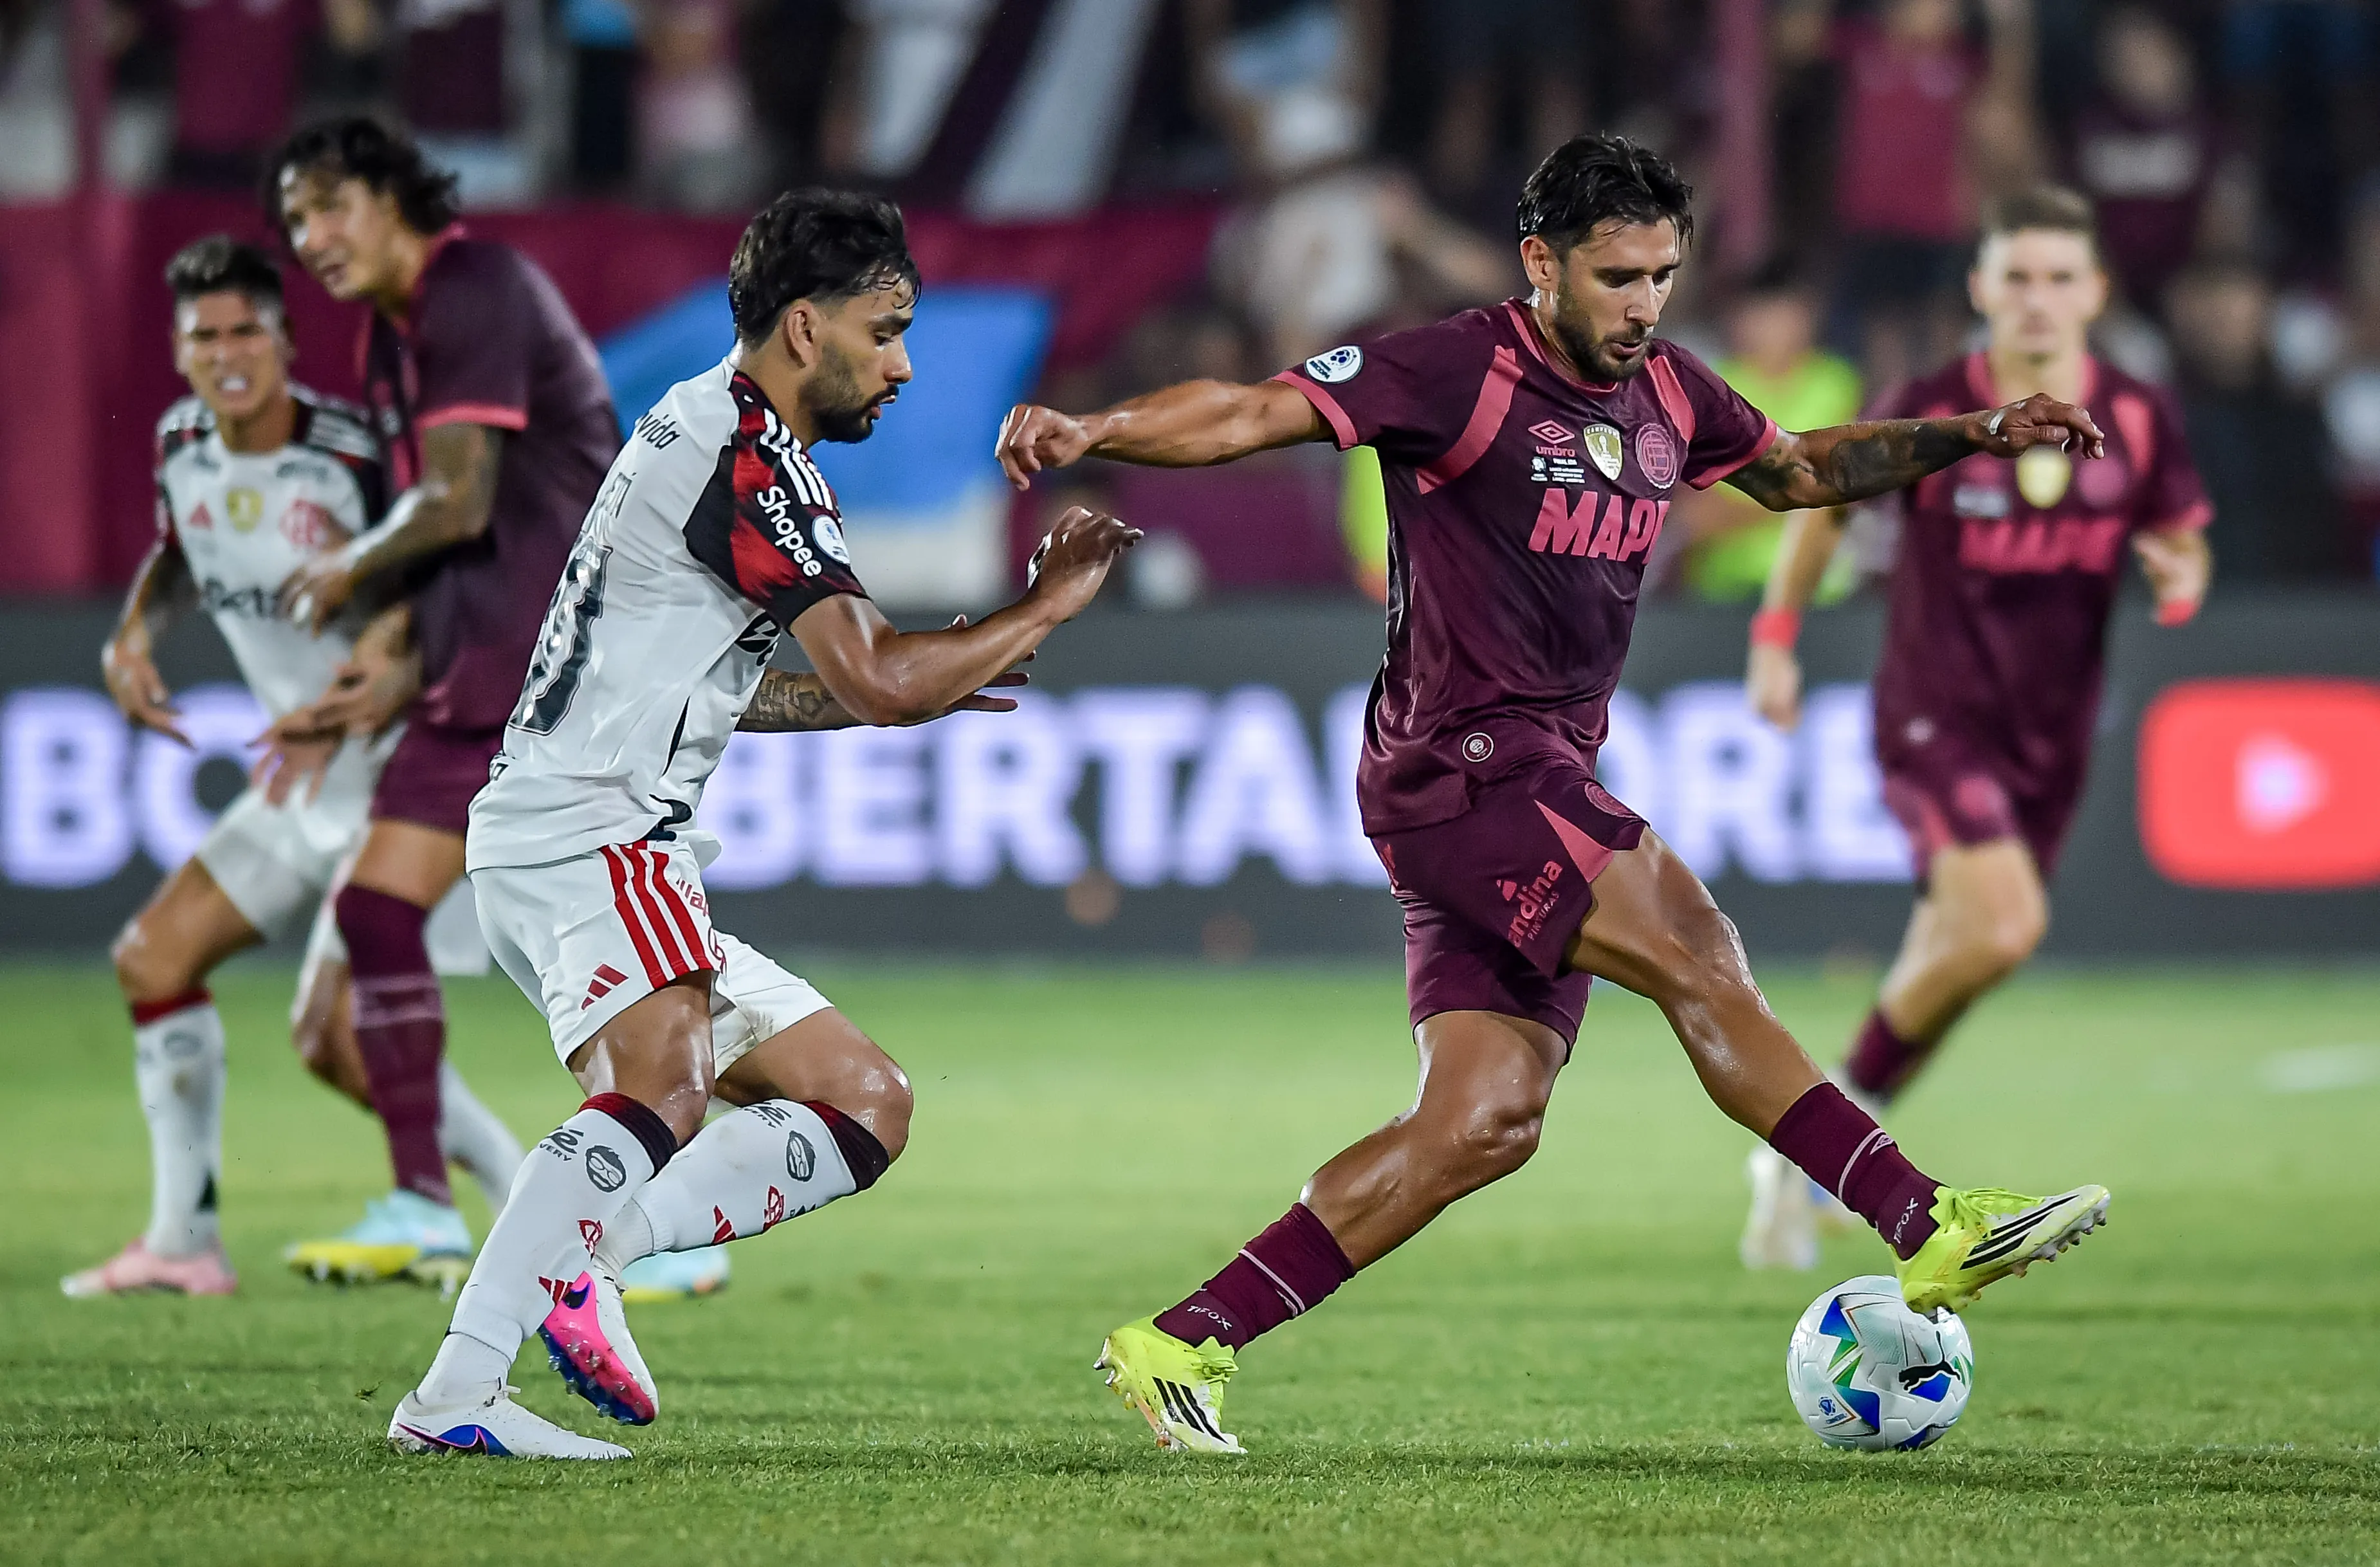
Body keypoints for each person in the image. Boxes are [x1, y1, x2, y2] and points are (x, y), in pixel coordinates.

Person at [994, 134, 2114, 1456]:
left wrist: (1970, 433)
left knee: (1481, 1121)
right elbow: (1251, 410)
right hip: (1465, 766)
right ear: (1540, 264)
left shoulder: (1667, 393)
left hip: (1523, 775)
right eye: (1616, 276)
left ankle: (1181, 1341)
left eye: (1662, 276)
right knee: (1695, 948)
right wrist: (1093, 431)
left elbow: (1802, 470)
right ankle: (1923, 1221)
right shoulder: (1455, 367)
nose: (1644, 305)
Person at [384, 188, 1140, 1459]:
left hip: (601, 828)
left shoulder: (713, 432)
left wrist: (890, 692)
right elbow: (883, 675)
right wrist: (1046, 607)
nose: (903, 364)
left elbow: (760, 688)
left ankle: (585, 1260)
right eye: (885, 330)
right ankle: (457, 1393)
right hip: (592, 827)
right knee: (661, 1090)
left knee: (862, 1101)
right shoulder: (748, 461)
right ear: (803, 328)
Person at [1739, 187, 2212, 1272]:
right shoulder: (1936, 406)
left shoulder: (2136, 415)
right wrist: (1775, 639)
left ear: (2095, 291)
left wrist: (2177, 578)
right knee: (2002, 926)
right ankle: (1834, 1137)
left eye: (2059, 278)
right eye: (2018, 276)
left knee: (1961, 954)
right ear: (1982, 288)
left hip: (2050, 734)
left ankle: (1818, 1147)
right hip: (1931, 712)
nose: (2038, 299)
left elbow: (2183, 540)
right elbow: (1820, 501)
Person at [62, 236, 520, 1299]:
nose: (226, 354)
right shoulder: (181, 443)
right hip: (300, 776)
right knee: (154, 959)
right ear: (179, 350)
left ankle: (540, 1222)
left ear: (284, 340)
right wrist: (130, 636)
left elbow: (443, 582)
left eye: (245, 332)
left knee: (334, 1039)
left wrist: (373, 670)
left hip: (400, 779)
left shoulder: (354, 456)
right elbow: (183, 552)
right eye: (203, 336)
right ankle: (182, 1241)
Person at [264, 118, 619, 1286]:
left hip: (550, 672)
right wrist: (397, 644)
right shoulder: (394, 333)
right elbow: (461, 535)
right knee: (389, 921)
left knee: (603, 968)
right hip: (489, 666)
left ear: (391, 194)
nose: (310, 237)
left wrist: (347, 571)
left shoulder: (474, 287)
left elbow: (459, 504)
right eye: (295, 219)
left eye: (328, 205)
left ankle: (620, 1223)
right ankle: (437, 1202)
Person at [1676, 261, 1863, 603]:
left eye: (1786, 315)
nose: (1776, 329)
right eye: (1764, 316)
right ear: (1741, 321)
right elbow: (1696, 516)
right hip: (1727, 592)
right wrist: (1797, 496)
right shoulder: (1712, 387)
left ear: (1808, 318)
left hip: (1819, 594)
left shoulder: (1836, 384)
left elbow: (1843, 490)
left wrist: (1747, 502)